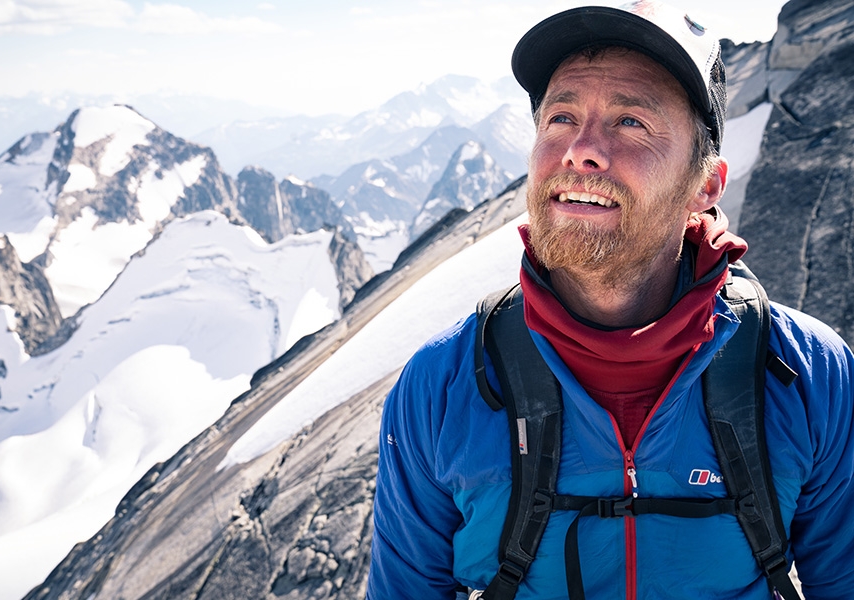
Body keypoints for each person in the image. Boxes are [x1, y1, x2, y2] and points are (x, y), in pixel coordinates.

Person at [365, 1, 854, 599]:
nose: (580, 150)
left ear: (705, 186)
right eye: (560, 118)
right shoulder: (440, 389)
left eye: (630, 122)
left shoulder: (808, 376)